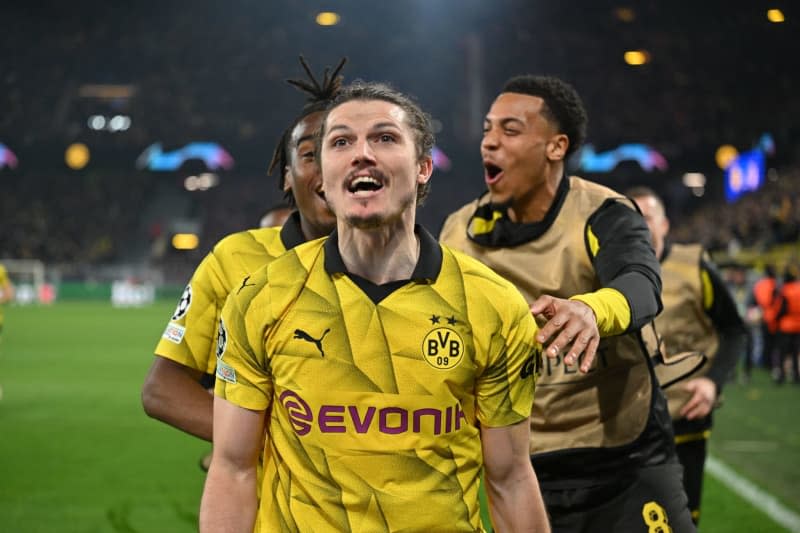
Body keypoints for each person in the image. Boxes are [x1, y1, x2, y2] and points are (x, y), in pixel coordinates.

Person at [200, 81, 551, 533]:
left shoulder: (493, 304)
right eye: (341, 141)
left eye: (385, 138)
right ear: (322, 177)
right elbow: (233, 469)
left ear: (423, 167)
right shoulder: (261, 298)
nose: (361, 153)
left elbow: (510, 479)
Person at [440, 74, 696, 532]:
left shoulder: (604, 212)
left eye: (510, 130)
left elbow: (640, 282)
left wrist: (591, 309)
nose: (489, 143)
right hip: (522, 470)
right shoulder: (458, 233)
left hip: (624, 458)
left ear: (556, 147)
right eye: (486, 130)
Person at [141, 56, 346, 465]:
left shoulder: (419, 267)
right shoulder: (236, 258)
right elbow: (162, 388)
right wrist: (273, 446)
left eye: (340, 147)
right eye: (309, 154)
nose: (327, 166)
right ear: (287, 176)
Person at [629, 186, 747, 525]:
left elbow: (734, 329)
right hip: (624, 428)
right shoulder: (604, 273)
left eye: (647, 217)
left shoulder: (694, 267)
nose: (639, 225)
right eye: (630, 218)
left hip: (684, 421)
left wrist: (713, 383)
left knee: (681, 522)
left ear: (664, 225)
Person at [749, 264, 781, 378]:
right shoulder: (776, 284)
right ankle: (774, 365)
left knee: (765, 342)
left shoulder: (760, 285)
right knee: (775, 344)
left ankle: (766, 363)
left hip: (763, 317)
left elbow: (754, 300)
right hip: (775, 318)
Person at [775, 264, 800, 384]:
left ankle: (781, 376)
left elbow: (782, 309)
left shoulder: (785, 290)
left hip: (786, 325)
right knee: (795, 353)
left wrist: (776, 318)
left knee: (783, 352)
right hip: (798, 325)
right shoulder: (799, 288)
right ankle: (796, 375)